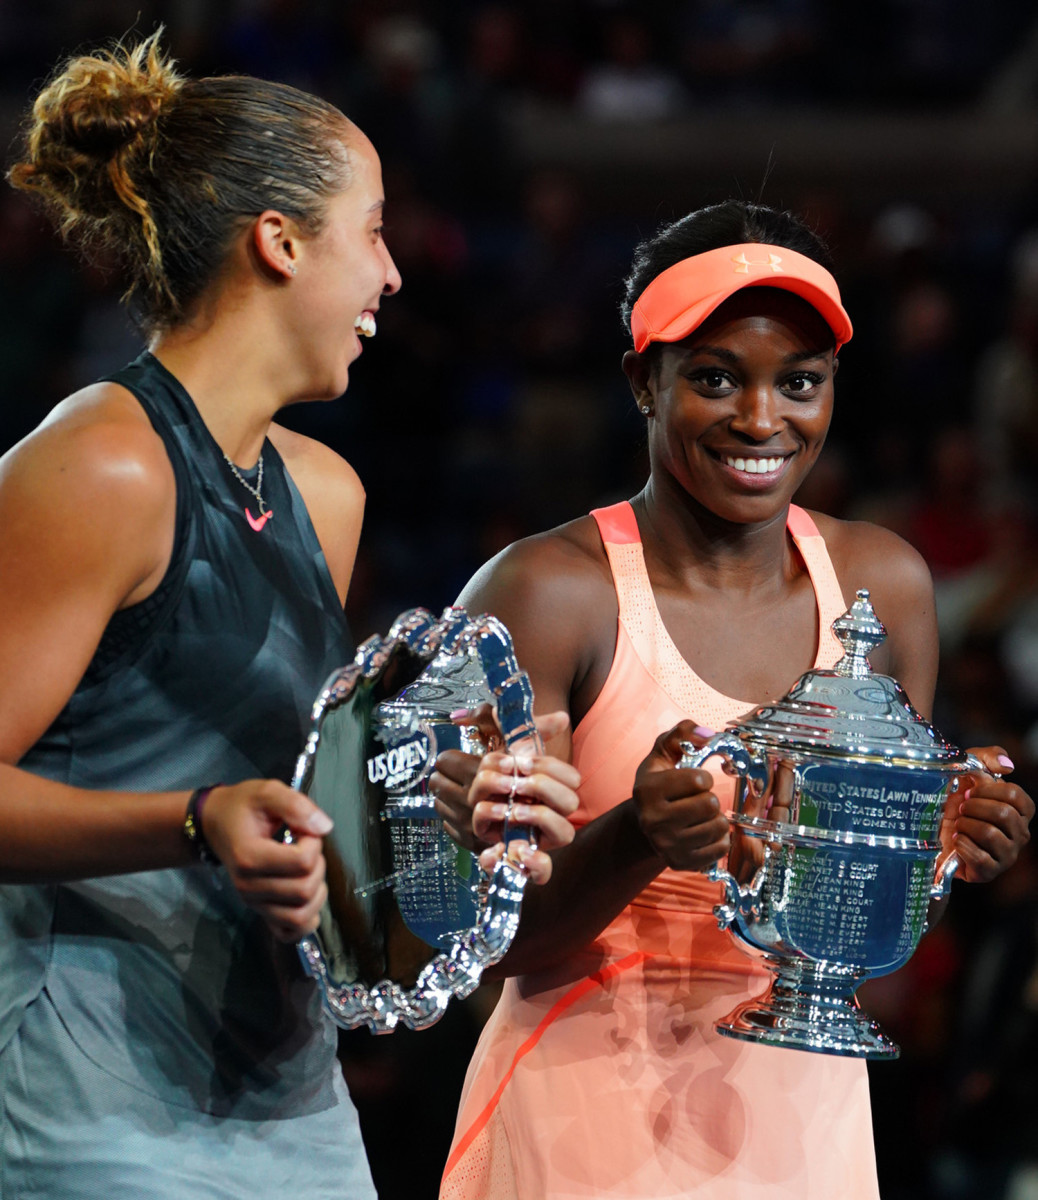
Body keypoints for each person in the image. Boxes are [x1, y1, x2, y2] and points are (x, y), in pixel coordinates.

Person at [0, 32, 577, 1198]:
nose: (392, 274)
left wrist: (455, 812)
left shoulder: (327, 492)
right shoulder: (98, 465)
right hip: (83, 1095)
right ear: (279, 241)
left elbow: (304, 801)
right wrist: (194, 818)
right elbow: (208, 805)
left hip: (289, 1094)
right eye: (371, 231)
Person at [433, 200, 1035, 1199]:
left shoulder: (886, 585)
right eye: (715, 379)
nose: (763, 420)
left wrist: (952, 843)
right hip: (583, 1113)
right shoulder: (542, 593)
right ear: (644, 381)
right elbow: (480, 944)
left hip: (802, 1119)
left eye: (799, 383)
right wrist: (633, 837)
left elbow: (862, 932)